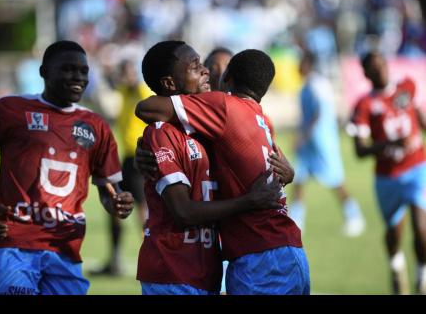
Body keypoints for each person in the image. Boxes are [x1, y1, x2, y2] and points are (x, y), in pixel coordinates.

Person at [136, 45, 310, 295]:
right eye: (200, 67)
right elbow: (182, 210)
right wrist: (143, 152)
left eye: (218, 69)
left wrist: (287, 174)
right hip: (177, 267)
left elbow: (273, 166)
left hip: (241, 258)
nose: (209, 73)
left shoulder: (227, 119)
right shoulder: (168, 131)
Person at [0, 40, 134, 295]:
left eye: (83, 71)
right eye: (67, 69)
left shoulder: (96, 125)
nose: (77, 77)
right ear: (44, 72)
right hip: (13, 242)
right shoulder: (9, 109)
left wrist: (118, 202)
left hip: (65, 248)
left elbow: (108, 191)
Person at [348, 51, 426, 295]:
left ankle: (422, 273)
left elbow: (422, 119)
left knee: (421, 227)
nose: (381, 69)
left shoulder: (407, 87)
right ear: (366, 73)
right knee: (394, 232)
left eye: (382, 63)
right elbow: (360, 151)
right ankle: (396, 264)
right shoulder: (364, 105)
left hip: (416, 168)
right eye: (374, 67)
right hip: (387, 177)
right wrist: (389, 144)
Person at [289, 50, 366, 236]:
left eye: (301, 63)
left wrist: (305, 135)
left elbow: (320, 113)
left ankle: (355, 217)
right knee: (298, 179)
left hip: (322, 142)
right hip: (308, 145)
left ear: (307, 64)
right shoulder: (307, 85)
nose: (298, 67)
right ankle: (296, 221)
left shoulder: (317, 84)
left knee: (334, 181)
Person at [90, 59, 152, 277]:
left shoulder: (142, 91)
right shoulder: (125, 92)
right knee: (115, 206)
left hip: (140, 160)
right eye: (125, 72)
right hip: (126, 159)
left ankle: (155, 258)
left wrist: (131, 80)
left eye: (130, 72)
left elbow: (142, 95)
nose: (128, 76)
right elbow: (112, 86)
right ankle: (114, 260)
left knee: (143, 210)